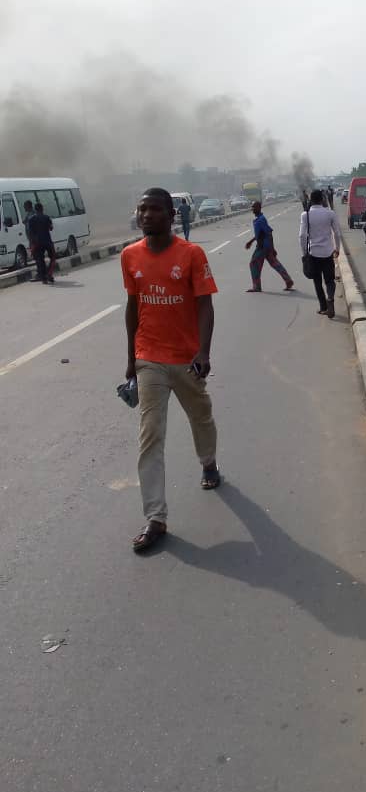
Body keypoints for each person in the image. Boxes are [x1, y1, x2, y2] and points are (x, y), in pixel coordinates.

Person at [121, 187, 220, 554]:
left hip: (187, 358)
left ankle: (208, 463)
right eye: (142, 209)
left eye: (154, 209)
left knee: (201, 417)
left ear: (171, 215)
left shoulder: (191, 254)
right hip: (150, 358)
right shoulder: (130, 256)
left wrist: (204, 352)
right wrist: (131, 358)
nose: (146, 215)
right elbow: (132, 307)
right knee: (150, 436)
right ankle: (155, 518)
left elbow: (205, 306)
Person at [300, 188, 340, 317]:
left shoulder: (305, 215)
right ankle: (331, 299)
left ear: (311, 200)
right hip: (328, 253)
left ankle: (323, 307)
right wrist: (337, 249)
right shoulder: (330, 213)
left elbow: (302, 236)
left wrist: (304, 252)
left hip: (313, 254)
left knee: (317, 282)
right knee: (330, 281)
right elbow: (337, 233)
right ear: (322, 199)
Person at [244, 200, 294, 292]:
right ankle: (288, 280)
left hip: (263, 247)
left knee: (253, 264)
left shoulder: (261, 220)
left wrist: (273, 248)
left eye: (254, 207)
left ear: (259, 208)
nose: (253, 209)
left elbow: (269, 233)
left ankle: (257, 286)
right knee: (275, 263)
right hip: (265, 246)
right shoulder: (259, 219)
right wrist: (250, 241)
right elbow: (260, 234)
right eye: (252, 207)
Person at [28, 202, 56, 283]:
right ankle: (49, 274)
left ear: (35, 209)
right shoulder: (46, 217)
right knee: (53, 257)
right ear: (42, 209)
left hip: (37, 243)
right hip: (47, 241)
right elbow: (51, 228)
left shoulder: (31, 219)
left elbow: (30, 233)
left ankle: (43, 278)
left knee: (40, 260)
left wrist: (32, 243)